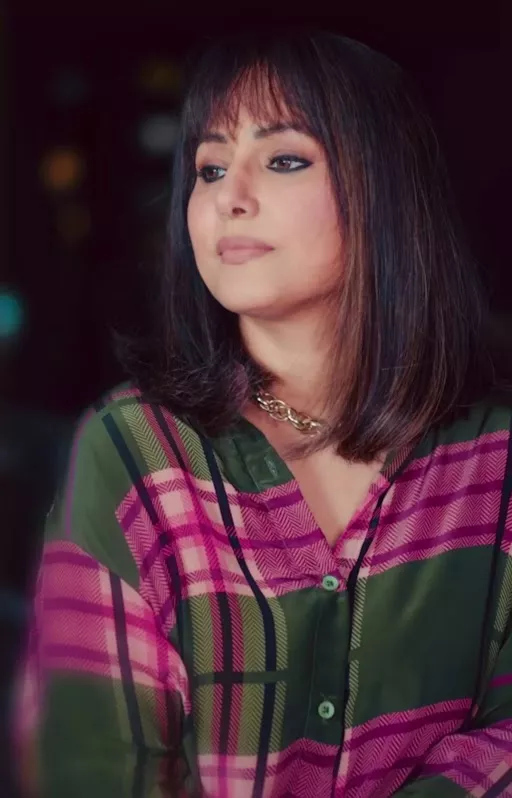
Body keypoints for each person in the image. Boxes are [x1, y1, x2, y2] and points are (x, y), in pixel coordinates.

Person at [17, 28, 512, 798]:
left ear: (385, 185)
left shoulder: (494, 454)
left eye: (284, 159)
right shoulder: (134, 452)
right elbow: (89, 766)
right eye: (210, 168)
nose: (229, 196)